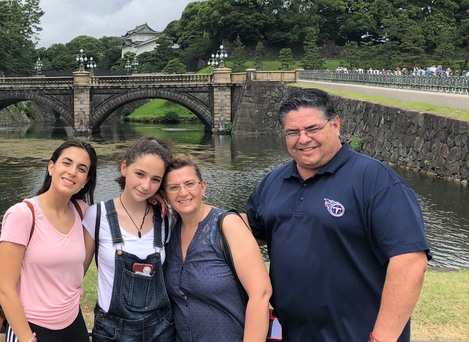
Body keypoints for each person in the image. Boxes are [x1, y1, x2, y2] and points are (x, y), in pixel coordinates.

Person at [246, 88, 431, 342]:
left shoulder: (376, 181)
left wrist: (381, 339)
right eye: (293, 132)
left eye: (312, 129)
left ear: (335, 124)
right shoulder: (273, 182)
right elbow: (250, 233)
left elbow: (410, 262)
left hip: (357, 335)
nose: (303, 139)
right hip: (290, 333)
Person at [0, 140, 98, 342]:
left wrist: (153, 200)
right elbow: (4, 290)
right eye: (66, 163)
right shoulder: (22, 215)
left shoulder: (82, 212)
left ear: (86, 180)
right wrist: (27, 339)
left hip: (73, 322)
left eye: (81, 168)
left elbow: (119, 215)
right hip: (32, 327)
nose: (72, 172)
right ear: (51, 167)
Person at [164, 154, 271, 342]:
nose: (183, 193)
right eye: (174, 187)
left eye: (190, 184)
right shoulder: (171, 230)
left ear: (203, 187)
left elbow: (260, 294)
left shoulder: (226, 225)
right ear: (165, 195)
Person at [82, 136, 175, 342]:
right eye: (139, 174)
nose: (145, 185)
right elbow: (75, 275)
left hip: (161, 329)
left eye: (155, 179)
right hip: (111, 331)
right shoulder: (97, 216)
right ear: (124, 168)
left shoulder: (166, 219)